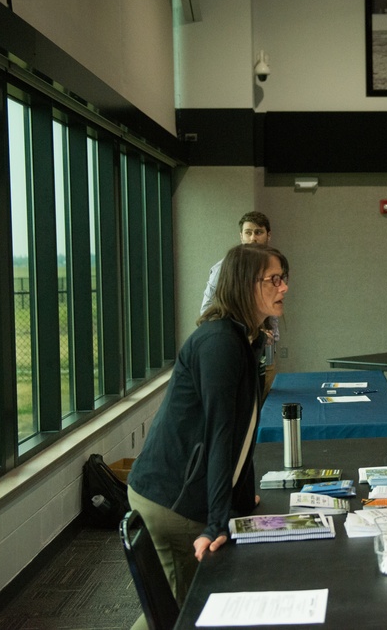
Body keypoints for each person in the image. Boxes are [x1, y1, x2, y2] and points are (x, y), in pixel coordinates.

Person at [125, 243, 289, 628]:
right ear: (245, 285)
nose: (283, 288)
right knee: (183, 615)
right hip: (173, 502)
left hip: (182, 491)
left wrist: (242, 498)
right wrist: (217, 522)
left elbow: (242, 432)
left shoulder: (245, 339)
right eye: (274, 280)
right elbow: (219, 433)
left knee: (170, 609)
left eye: (284, 279)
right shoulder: (220, 344)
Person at [200, 211, 279, 400]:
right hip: (234, 349)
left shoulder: (273, 266)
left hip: (264, 352)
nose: (253, 238)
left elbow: (272, 306)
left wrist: (272, 337)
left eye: (258, 232)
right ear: (241, 236)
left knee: (266, 408)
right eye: (248, 233)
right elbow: (206, 311)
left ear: (268, 235)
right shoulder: (224, 268)